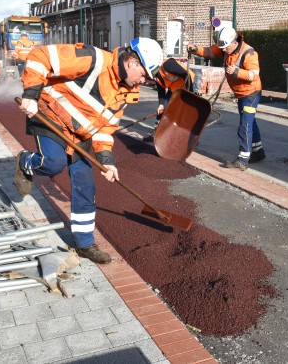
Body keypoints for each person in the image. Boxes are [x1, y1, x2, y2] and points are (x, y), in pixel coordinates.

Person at [14, 38, 164, 264]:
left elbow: (105, 129)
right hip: (49, 117)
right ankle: (25, 161)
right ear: (132, 62)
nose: (143, 81)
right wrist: (31, 94)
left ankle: (84, 244)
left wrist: (107, 160)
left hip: (80, 135)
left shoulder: (126, 94)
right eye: (143, 74)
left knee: (85, 184)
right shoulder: (93, 59)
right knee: (53, 163)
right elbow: (40, 57)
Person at [188, 26, 265, 170]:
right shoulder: (226, 46)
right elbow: (210, 51)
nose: (223, 50)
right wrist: (195, 49)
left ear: (234, 42)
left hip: (251, 93)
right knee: (249, 121)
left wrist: (237, 71)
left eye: (225, 48)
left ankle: (242, 160)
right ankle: (258, 151)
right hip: (241, 93)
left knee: (245, 125)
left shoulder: (249, 53)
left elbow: (254, 75)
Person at [143, 57, 195, 142]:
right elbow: (161, 92)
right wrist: (161, 104)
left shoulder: (168, 64)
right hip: (175, 88)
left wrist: (190, 94)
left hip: (188, 83)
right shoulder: (156, 75)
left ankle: (188, 139)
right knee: (162, 109)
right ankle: (156, 134)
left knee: (183, 113)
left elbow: (186, 75)